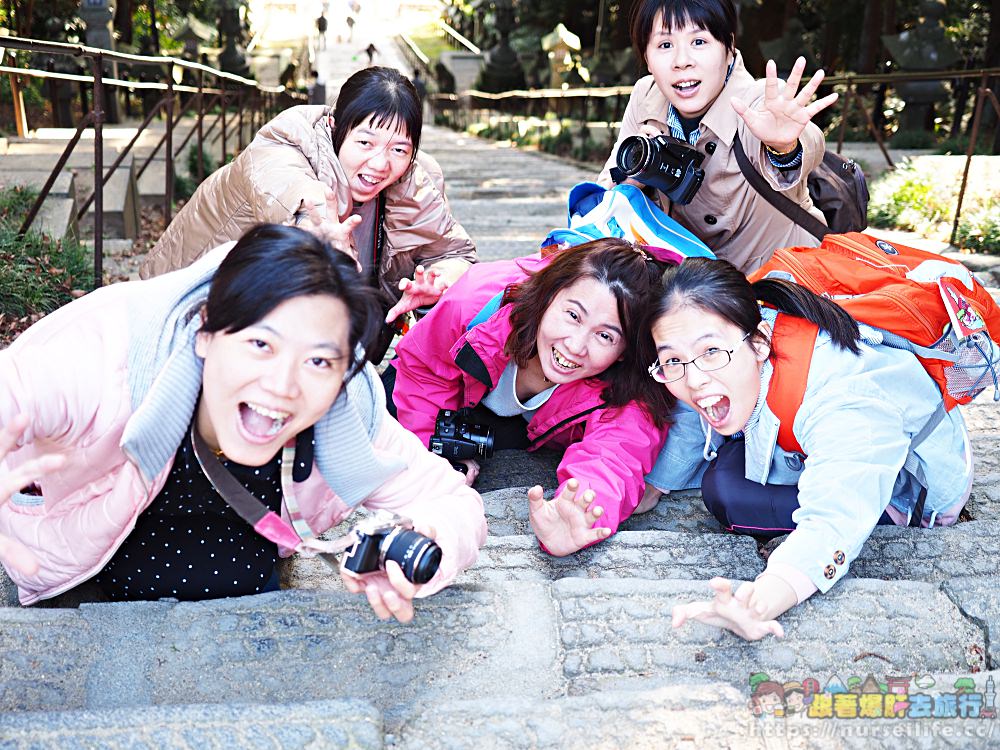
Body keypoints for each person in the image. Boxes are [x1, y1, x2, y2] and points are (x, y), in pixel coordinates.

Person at [0, 224, 487, 621]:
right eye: (261, 345)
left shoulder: (346, 415)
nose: (283, 385)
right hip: (83, 584)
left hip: (250, 601)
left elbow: (453, 503)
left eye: (318, 362)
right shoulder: (106, 362)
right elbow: (15, 391)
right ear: (207, 331)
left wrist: (422, 540)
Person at [645, 258, 972, 640]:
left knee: (727, 495)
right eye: (672, 360)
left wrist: (760, 602)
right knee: (724, 468)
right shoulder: (741, 328)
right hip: (841, 433)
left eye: (711, 353)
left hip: (913, 485)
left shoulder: (845, 402)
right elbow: (690, 397)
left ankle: (890, 514)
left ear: (760, 342)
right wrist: (652, 486)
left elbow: (833, 520)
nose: (695, 378)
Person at [140, 66, 476, 363]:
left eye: (399, 149)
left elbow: (455, 252)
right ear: (335, 126)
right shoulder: (283, 144)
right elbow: (291, 189)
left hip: (305, 342)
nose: (380, 163)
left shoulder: (418, 181)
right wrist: (318, 229)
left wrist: (439, 279)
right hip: (183, 319)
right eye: (365, 143)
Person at [384, 238, 674, 556]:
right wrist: (434, 459)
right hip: (447, 390)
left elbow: (614, 457)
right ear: (549, 296)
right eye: (573, 316)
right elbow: (424, 370)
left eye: (605, 336)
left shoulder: (629, 387)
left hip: (528, 426)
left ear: (624, 351)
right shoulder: (474, 304)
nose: (576, 346)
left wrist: (582, 511)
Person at [598, 0, 839, 272]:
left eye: (699, 41)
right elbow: (606, 192)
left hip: (780, 283)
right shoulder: (647, 95)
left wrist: (783, 146)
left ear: (728, 49)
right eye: (665, 45)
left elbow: (808, 144)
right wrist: (634, 175)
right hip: (693, 287)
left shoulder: (757, 101)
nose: (682, 61)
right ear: (646, 58)